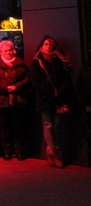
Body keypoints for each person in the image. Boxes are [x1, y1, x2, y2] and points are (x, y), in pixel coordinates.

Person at [31, 35, 76, 167]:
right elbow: (35, 82)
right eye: (46, 44)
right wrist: (48, 94)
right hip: (44, 100)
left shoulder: (60, 60)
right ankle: (55, 152)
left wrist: (59, 94)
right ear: (42, 46)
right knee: (48, 125)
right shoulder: (37, 61)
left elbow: (67, 79)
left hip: (58, 99)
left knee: (57, 126)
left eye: (51, 45)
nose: (49, 47)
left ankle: (50, 151)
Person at [0, 40, 30, 161]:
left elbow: (27, 79)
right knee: (4, 127)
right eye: (5, 50)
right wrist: (5, 88)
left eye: (10, 50)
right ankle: (7, 150)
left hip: (18, 100)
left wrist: (17, 86)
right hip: (1, 100)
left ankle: (19, 150)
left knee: (18, 126)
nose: (8, 52)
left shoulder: (21, 63)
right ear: (0, 52)